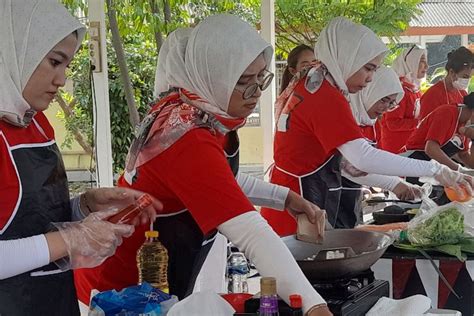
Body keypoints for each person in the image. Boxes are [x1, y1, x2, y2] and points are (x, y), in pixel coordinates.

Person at [74, 14, 332, 316]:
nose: (257, 92)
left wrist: (286, 198)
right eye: (244, 83)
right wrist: (315, 306)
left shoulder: (203, 115)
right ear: (212, 77)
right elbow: (250, 232)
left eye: (261, 78)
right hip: (117, 290)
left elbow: (221, 181)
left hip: (154, 286)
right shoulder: (184, 135)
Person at [0, 1, 161, 315]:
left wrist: (83, 206)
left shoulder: (32, 121)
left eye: (67, 66)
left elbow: (25, 220)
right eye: (54, 61)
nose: (60, 80)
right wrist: (70, 240)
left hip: (52, 300)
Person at [260, 17, 474, 235]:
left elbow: (347, 166)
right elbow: (362, 157)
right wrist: (437, 170)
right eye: (368, 69)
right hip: (296, 210)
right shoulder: (325, 95)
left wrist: (395, 184)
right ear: (347, 59)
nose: (371, 79)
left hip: (300, 205)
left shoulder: (317, 84)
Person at [338, 66, 422, 227]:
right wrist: (393, 184)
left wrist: (399, 182)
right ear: (369, 91)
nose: (385, 108)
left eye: (391, 103)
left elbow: (374, 160)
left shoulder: (371, 122)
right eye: (383, 100)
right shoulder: (345, 117)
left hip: (352, 197)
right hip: (328, 198)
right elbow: (349, 166)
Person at [402, 93, 474, 185]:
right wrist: (459, 170)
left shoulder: (466, 125)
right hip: (414, 162)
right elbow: (431, 149)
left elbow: (464, 155)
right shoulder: (447, 113)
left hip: (433, 169)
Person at [378, 45, 428, 153]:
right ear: (411, 62)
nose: (426, 66)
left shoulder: (415, 89)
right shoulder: (399, 90)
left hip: (409, 147)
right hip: (396, 151)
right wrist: (420, 123)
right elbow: (392, 123)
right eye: (422, 61)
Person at [418, 47, 473, 120]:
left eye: (470, 77)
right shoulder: (432, 96)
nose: (467, 80)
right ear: (452, 73)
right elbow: (424, 127)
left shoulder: (463, 93)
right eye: (465, 76)